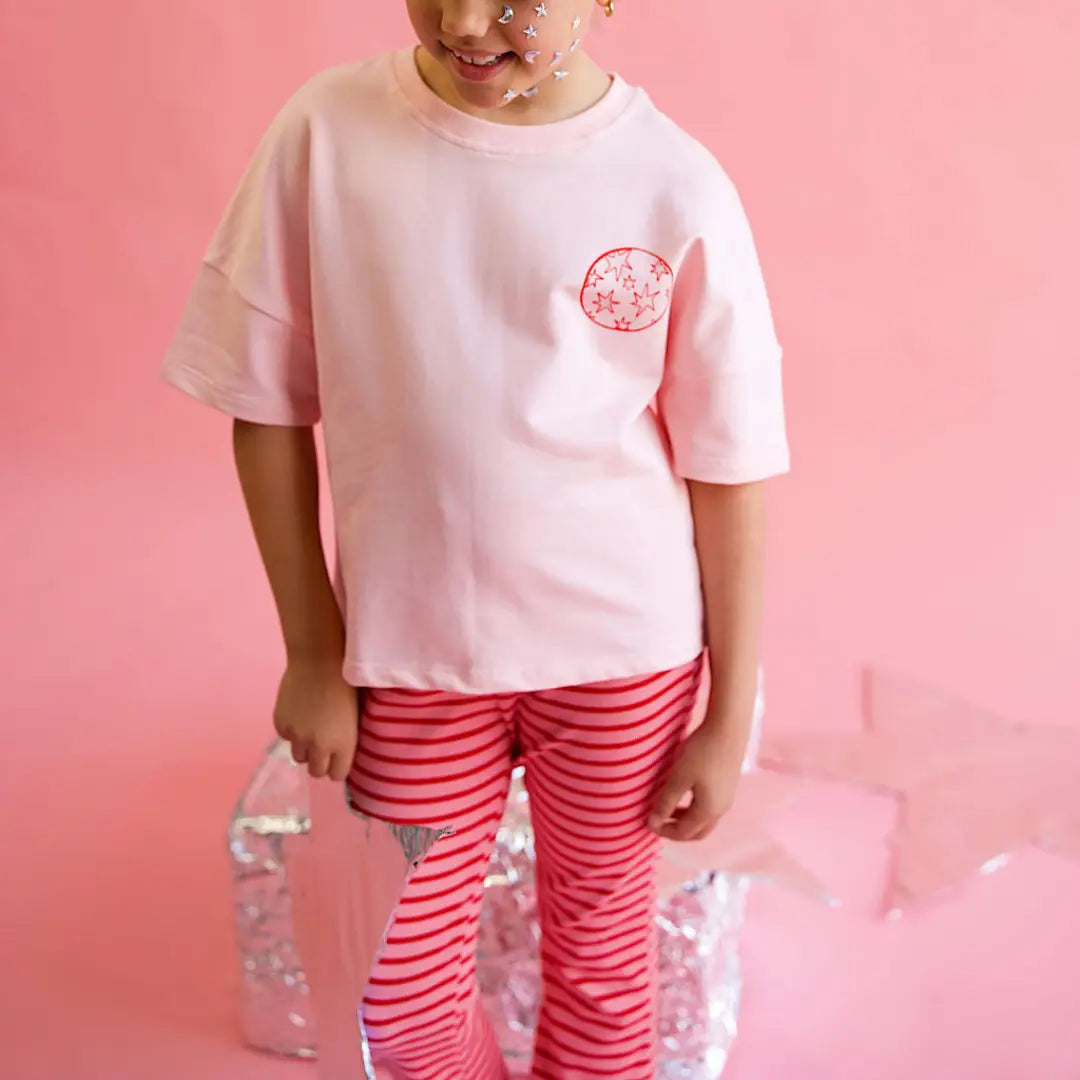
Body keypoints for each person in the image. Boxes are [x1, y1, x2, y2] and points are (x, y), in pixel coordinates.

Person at [160, 1, 791, 1076]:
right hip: (411, 656)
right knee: (393, 989)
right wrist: (313, 650)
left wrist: (727, 717)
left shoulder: (674, 183)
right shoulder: (327, 133)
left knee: (602, 966)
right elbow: (263, 406)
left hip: (624, 657)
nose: (461, 21)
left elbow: (729, 471)